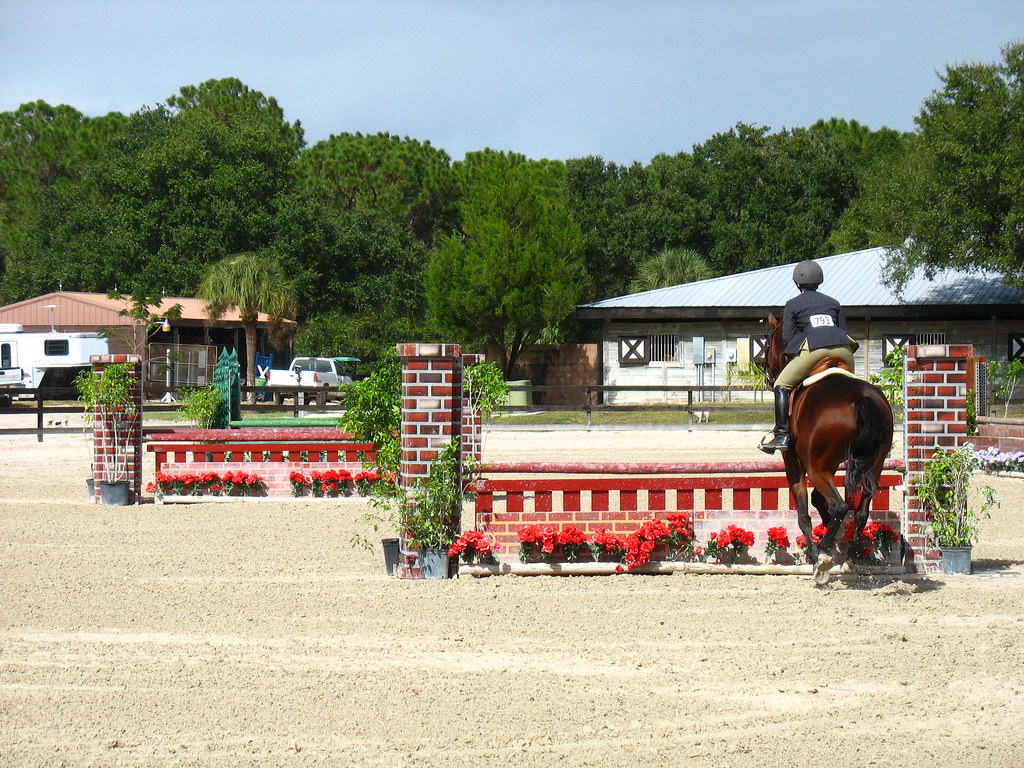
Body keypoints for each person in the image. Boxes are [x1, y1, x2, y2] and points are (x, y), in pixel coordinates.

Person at [759, 260, 856, 453]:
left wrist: (805, 340)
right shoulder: (833, 303)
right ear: (820, 280)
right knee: (853, 387)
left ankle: (782, 434)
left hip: (814, 351)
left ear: (797, 282)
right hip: (844, 350)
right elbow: (843, 330)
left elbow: (787, 337)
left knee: (781, 385)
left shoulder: (793, 304)